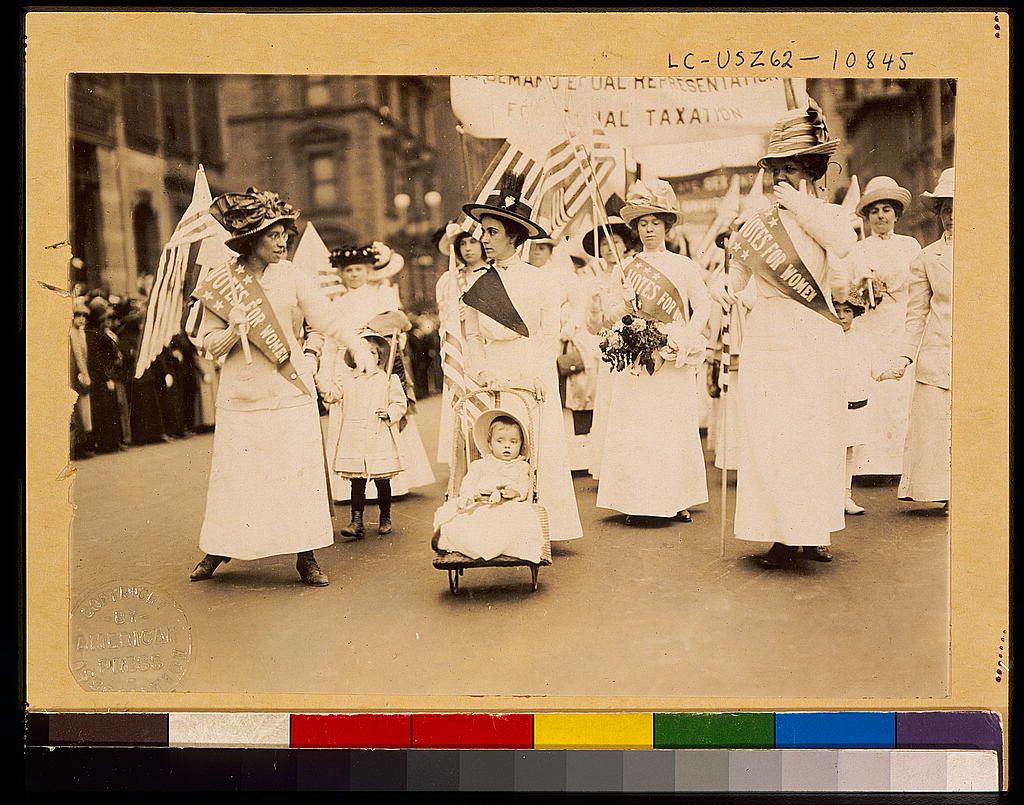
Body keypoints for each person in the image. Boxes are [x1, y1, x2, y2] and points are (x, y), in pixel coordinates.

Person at [186, 187, 371, 587]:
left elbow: (326, 319)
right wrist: (233, 329)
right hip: (241, 395)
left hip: (289, 392)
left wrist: (357, 345)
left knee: (296, 475)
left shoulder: (292, 275)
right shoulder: (223, 281)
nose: (284, 240)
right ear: (251, 239)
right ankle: (219, 546)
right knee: (237, 476)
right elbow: (207, 344)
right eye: (274, 234)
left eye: (286, 232)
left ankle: (306, 554)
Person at [709, 99, 856, 567]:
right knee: (773, 435)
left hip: (813, 336)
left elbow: (845, 244)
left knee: (815, 435)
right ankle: (780, 533)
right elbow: (735, 282)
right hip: (769, 338)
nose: (781, 179)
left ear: (810, 170)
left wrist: (801, 206)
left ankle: (812, 529)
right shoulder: (756, 224)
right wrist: (722, 288)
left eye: (791, 168)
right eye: (777, 170)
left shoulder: (827, 215)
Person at [461, 171, 584, 542]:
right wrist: (478, 370)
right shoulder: (476, 283)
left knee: (537, 446)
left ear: (514, 236)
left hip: (531, 370)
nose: (484, 240)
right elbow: (470, 333)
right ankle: (498, 531)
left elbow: (548, 333)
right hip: (491, 371)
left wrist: (536, 374)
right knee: (495, 445)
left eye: (493, 232)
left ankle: (543, 527)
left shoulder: (541, 280)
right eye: (483, 232)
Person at [596, 179, 712, 523]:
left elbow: (702, 306)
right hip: (635, 359)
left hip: (672, 357)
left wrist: (686, 337)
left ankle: (677, 499)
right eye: (642, 224)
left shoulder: (684, 266)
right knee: (637, 429)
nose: (648, 230)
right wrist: (623, 308)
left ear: (666, 226)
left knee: (671, 427)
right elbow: (608, 313)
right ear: (635, 228)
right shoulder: (625, 268)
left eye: (654, 223)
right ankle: (636, 501)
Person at [318, 242, 435, 502]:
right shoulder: (336, 304)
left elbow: (397, 334)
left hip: (376, 364)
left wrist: (385, 344)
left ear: (368, 270)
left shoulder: (380, 297)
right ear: (341, 274)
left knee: (379, 416)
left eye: (359, 269)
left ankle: (390, 480)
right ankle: (351, 485)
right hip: (346, 367)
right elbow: (330, 339)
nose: (354, 275)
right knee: (350, 422)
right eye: (348, 271)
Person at [879, 168, 953, 511]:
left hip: (983, 357)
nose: (951, 216)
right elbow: (916, 316)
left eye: (957, 206)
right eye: (945, 208)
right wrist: (904, 358)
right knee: (939, 432)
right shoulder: (926, 257)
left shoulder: (995, 248)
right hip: (938, 355)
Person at [846, 176, 923, 477]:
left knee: (901, 392)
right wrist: (863, 286)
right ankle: (870, 465)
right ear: (867, 216)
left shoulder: (910, 245)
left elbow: (919, 286)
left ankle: (900, 464)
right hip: (870, 324)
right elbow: (849, 292)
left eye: (886, 210)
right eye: (874, 210)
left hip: (901, 321)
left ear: (896, 214)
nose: (880, 216)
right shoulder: (858, 249)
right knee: (874, 388)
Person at [317, 331, 407, 538]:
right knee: (357, 480)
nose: (368, 357)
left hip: (379, 433)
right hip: (355, 436)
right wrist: (321, 378)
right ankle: (356, 521)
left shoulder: (387, 379)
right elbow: (332, 395)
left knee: (382, 480)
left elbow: (399, 403)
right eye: (362, 353)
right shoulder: (347, 380)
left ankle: (385, 517)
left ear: (379, 357)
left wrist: (390, 412)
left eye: (373, 353)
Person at [432, 411, 546, 563]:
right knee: (470, 522)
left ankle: (499, 546)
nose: (507, 446)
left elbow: (524, 486)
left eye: (513, 442)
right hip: (481, 504)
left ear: (521, 444)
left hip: (508, 505)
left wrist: (516, 492)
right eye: (500, 441)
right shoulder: (480, 465)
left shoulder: (521, 467)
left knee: (518, 520)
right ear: (490, 444)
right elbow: (467, 485)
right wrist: (473, 495)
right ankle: (472, 544)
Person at [577, 214, 636, 480]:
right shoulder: (594, 280)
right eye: (603, 245)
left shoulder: (634, 270)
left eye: (615, 242)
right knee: (610, 405)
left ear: (624, 244)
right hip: (611, 349)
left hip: (637, 344)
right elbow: (592, 326)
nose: (609, 249)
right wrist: (593, 306)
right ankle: (613, 471)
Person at [435, 227, 486, 464]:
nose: (467, 248)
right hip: (462, 348)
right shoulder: (451, 279)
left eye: (473, 242)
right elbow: (443, 316)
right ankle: (465, 464)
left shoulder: (491, 274)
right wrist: (455, 316)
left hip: (487, 345)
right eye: (463, 244)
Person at [835, 290, 881, 515]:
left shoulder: (863, 340)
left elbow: (876, 369)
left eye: (848, 311)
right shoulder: (825, 338)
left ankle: (845, 497)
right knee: (828, 451)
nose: (842, 316)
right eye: (837, 310)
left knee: (848, 451)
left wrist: (893, 370)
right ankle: (827, 497)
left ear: (856, 314)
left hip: (854, 404)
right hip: (829, 405)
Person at [83, 296, 125, 454]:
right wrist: (107, 377)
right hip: (101, 378)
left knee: (110, 409)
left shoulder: (99, 333)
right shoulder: (94, 334)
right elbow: (98, 360)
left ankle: (113, 442)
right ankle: (107, 444)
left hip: (106, 376)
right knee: (104, 411)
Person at [70, 298, 93, 459]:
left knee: (84, 411)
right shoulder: (72, 333)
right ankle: (78, 447)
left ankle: (83, 444)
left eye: (84, 316)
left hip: (81, 374)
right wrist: (84, 373)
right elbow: (78, 357)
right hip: (75, 375)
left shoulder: (81, 332)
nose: (81, 319)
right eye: (78, 315)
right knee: (77, 412)